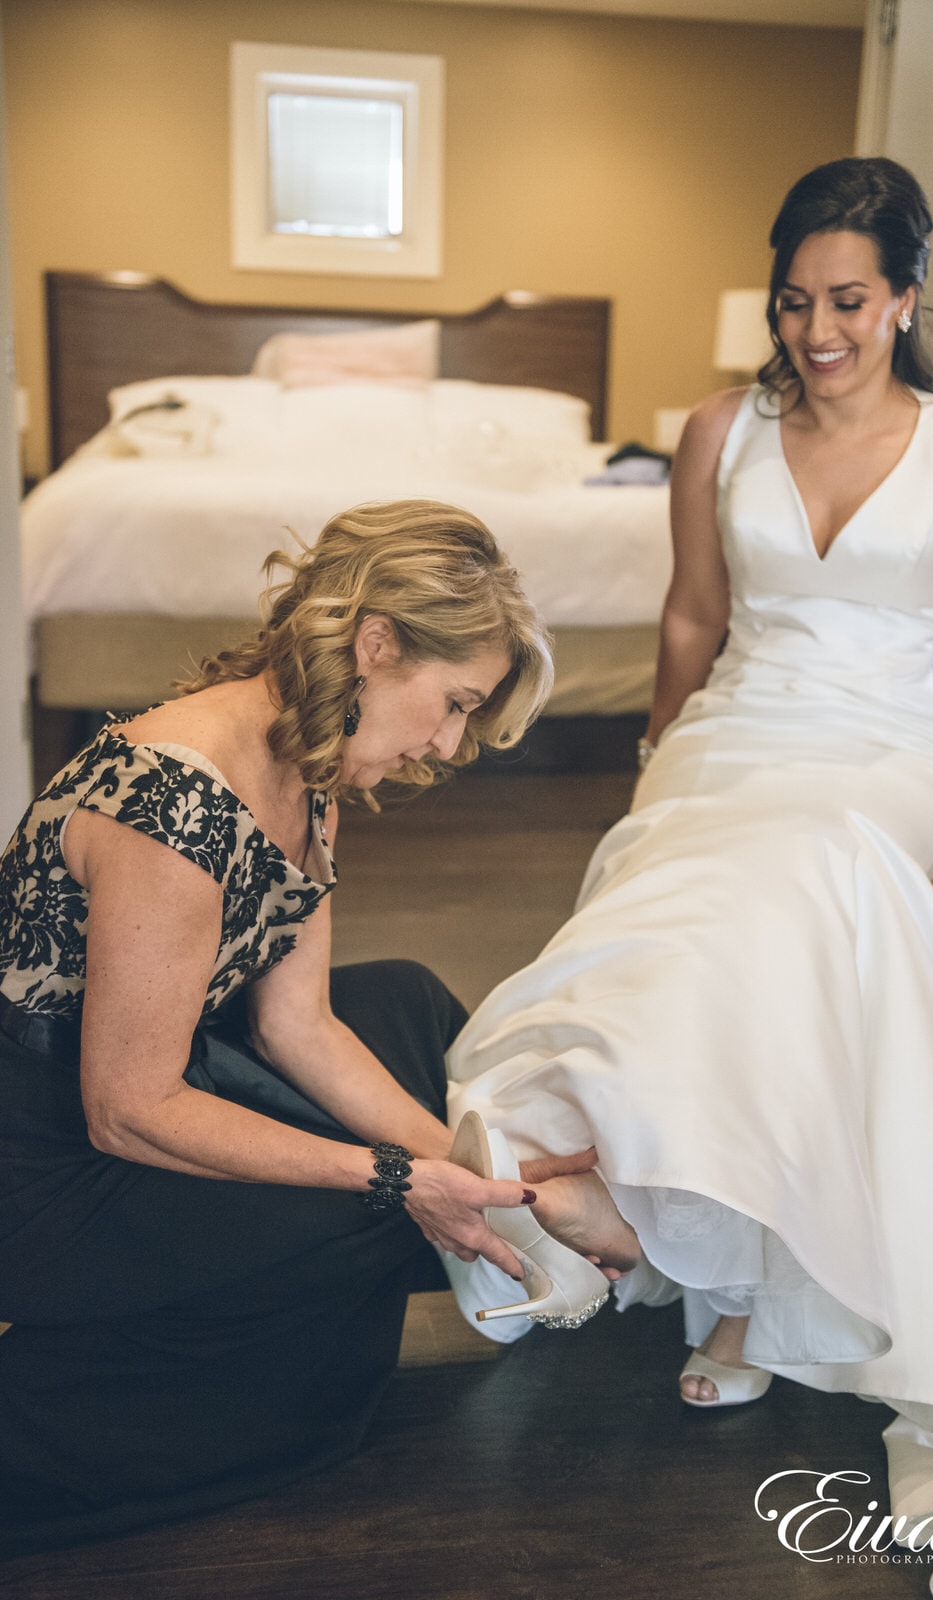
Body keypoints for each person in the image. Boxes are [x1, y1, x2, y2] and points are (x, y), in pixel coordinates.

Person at [444, 161, 933, 1591]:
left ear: (906, 297)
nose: (818, 330)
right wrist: (658, 769)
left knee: (808, 875)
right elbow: (688, 619)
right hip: (734, 732)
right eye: (796, 302)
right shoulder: (717, 430)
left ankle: (690, 1257)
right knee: (694, 885)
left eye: (848, 302)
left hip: (887, 755)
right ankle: (670, 1231)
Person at [0, 498, 575, 1553]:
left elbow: (297, 1027)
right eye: (450, 704)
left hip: (169, 1065)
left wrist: (484, 1176)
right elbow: (126, 1109)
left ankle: (480, 1234)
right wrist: (398, 1179)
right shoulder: (173, 807)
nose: (447, 744)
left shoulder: (308, 777)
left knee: (398, 999)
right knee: (365, 1210)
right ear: (375, 644)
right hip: (42, 1164)